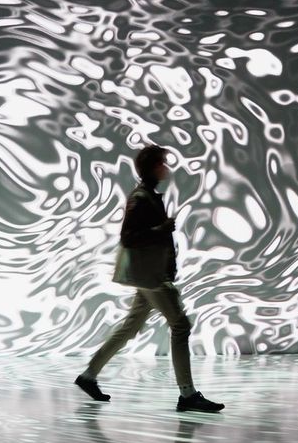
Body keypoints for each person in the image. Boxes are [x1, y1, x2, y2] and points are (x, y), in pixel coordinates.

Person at [76, 145, 224, 412]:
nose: (166, 168)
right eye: (163, 163)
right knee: (180, 325)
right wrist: (161, 229)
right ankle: (187, 394)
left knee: (130, 327)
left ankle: (88, 376)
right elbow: (128, 237)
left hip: (150, 276)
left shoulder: (149, 196)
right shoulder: (141, 198)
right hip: (150, 278)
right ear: (154, 167)